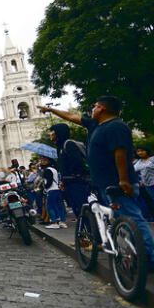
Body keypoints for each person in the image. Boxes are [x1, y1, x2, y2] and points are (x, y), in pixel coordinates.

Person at [39, 97, 154, 263]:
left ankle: (149, 258)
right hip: (103, 183)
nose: (92, 110)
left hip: (117, 182)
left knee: (133, 219)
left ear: (102, 108)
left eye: (94, 106)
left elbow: (120, 154)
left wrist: (123, 180)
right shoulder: (95, 126)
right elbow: (72, 116)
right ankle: (129, 250)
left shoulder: (116, 126)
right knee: (118, 219)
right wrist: (51, 111)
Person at [49, 123, 90, 220]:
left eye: (52, 132)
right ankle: (87, 232)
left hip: (78, 183)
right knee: (77, 210)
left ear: (58, 133)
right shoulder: (60, 147)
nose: (50, 134)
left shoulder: (68, 144)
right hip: (70, 184)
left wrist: (74, 176)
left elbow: (78, 163)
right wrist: (64, 181)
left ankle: (91, 231)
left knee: (82, 210)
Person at [40, 156, 66, 229]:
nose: (41, 162)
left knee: (50, 206)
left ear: (47, 161)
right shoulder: (54, 169)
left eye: (43, 160)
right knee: (59, 206)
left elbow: (49, 181)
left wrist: (45, 186)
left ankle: (54, 222)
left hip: (51, 190)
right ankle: (62, 222)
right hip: (57, 189)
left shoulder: (47, 170)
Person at [134, 146, 154, 220]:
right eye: (138, 151)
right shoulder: (139, 162)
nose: (140, 153)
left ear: (146, 151)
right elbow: (133, 172)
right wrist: (140, 181)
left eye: (142, 151)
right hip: (148, 186)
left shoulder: (152, 159)